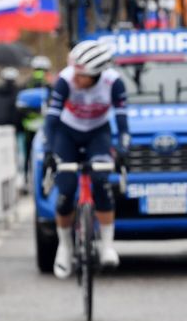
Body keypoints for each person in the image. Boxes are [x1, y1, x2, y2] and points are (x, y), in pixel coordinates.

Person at [42, 40, 131, 278]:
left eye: (82, 75)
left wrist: (123, 149)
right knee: (66, 190)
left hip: (97, 133)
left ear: (97, 74)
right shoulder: (65, 79)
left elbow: (122, 121)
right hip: (67, 133)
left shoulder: (113, 82)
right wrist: (49, 151)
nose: (76, 79)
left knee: (101, 181)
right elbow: (51, 119)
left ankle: (107, 246)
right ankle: (65, 246)